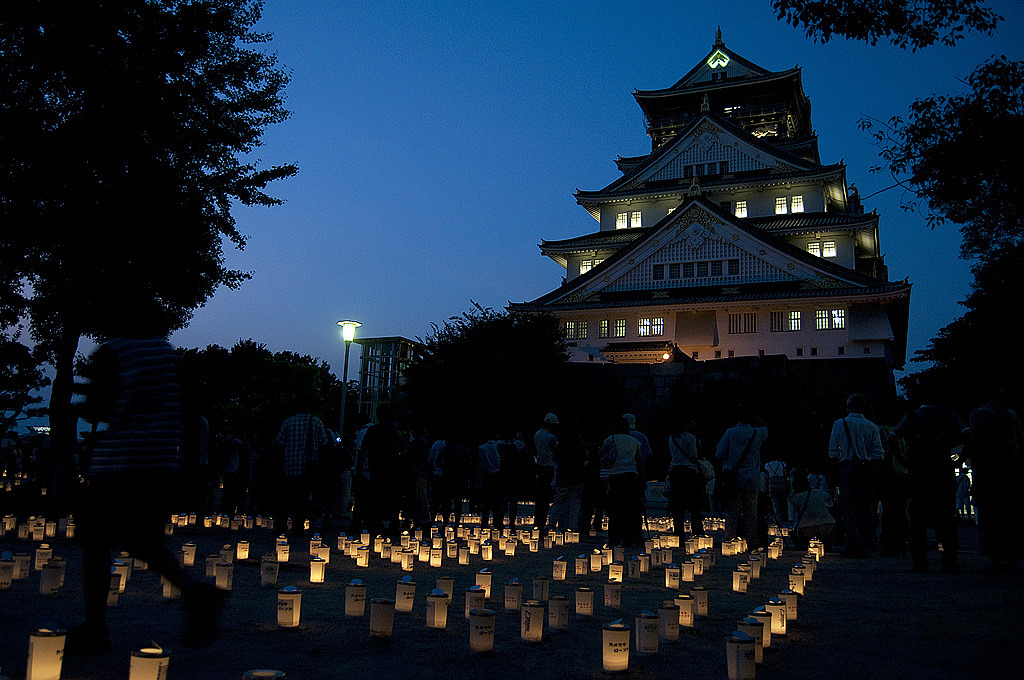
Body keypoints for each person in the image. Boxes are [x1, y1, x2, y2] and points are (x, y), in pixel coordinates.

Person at [73, 325, 221, 653]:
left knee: (96, 544)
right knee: (145, 543)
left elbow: (101, 406)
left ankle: (95, 627)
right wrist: (187, 466)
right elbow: (188, 411)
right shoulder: (168, 354)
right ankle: (196, 594)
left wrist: (81, 400)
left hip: (118, 463)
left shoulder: (113, 350)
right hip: (159, 464)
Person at [891, 392, 968, 573]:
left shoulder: (912, 417)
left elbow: (892, 439)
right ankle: (948, 559)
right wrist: (959, 459)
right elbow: (968, 435)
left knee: (918, 520)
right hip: (943, 472)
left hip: (919, 473)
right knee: (947, 519)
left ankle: (920, 560)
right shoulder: (948, 416)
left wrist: (904, 462)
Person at [968, 394, 1024, 571]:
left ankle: (996, 558)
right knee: (1010, 516)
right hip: (1010, 470)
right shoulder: (1011, 415)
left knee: (990, 517)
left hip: (987, 471)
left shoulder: (978, 414)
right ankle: (1012, 556)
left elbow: (972, 442)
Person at [828, 394, 885, 557]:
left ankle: (851, 543)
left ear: (848, 406)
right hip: (867, 469)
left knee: (848, 508)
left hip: (847, 468)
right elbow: (879, 453)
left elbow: (832, 450)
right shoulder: (872, 427)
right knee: (867, 507)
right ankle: (867, 542)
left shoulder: (839, 424)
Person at [716, 405, 768, 547]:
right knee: (751, 511)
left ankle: (729, 539)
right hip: (751, 478)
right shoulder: (758, 433)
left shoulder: (730, 433)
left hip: (732, 479)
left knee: (731, 510)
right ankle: (752, 539)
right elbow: (766, 428)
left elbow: (719, 453)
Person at [274, 406, 329, 537]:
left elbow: (278, 443)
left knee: (286, 498)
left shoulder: (288, 422)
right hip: (307, 468)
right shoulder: (315, 422)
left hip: (289, 465)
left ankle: (282, 525)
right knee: (303, 500)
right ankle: (298, 528)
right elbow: (324, 441)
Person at [600, 417, 644, 546]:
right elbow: (640, 462)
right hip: (631, 476)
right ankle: (628, 538)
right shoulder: (634, 441)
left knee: (615, 510)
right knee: (630, 509)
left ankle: (614, 538)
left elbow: (602, 455)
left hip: (615, 476)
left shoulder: (610, 439)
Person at [667, 419, 704, 538]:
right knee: (694, 505)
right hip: (689, 472)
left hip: (675, 472)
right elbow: (693, 456)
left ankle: (678, 534)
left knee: (677, 506)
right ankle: (697, 532)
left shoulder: (672, 438)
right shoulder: (691, 438)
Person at [549, 420, 587, 532]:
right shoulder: (581, 444)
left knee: (558, 503)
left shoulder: (562, 444)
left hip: (564, 477)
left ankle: (551, 524)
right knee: (575, 504)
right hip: (577, 478)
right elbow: (585, 459)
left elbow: (555, 458)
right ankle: (573, 527)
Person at [789, 468, 835, 550]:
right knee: (826, 548)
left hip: (807, 528)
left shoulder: (796, 498)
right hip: (827, 525)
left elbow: (799, 514)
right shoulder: (817, 492)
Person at [533, 413, 559, 532]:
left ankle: (537, 523)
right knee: (546, 499)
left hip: (539, 467)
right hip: (549, 469)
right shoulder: (551, 437)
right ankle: (543, 523)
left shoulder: (537, 434)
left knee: (539, 498)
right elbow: (557, 452)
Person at [764, 458, 789, 526]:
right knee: (783, 501)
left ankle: (777, 519)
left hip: (772, 484)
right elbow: (785, 473)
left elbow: (767, 476)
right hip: (781, 483)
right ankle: (785, 518)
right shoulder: (782, 463)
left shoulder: (767, 465)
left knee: (775, 503)